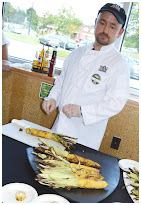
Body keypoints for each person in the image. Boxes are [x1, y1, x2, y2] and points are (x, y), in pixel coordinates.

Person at [42, 3, 130, 150]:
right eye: (102, 23)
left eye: (112, 27)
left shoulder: (119, 64)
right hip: (59, 128)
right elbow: (62, 81)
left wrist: (82, 111)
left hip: (85, 137)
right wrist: (53, 98)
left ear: (120, 33)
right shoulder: (76, 53)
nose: (105, 30)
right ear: (96, 22)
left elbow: (115, 103)